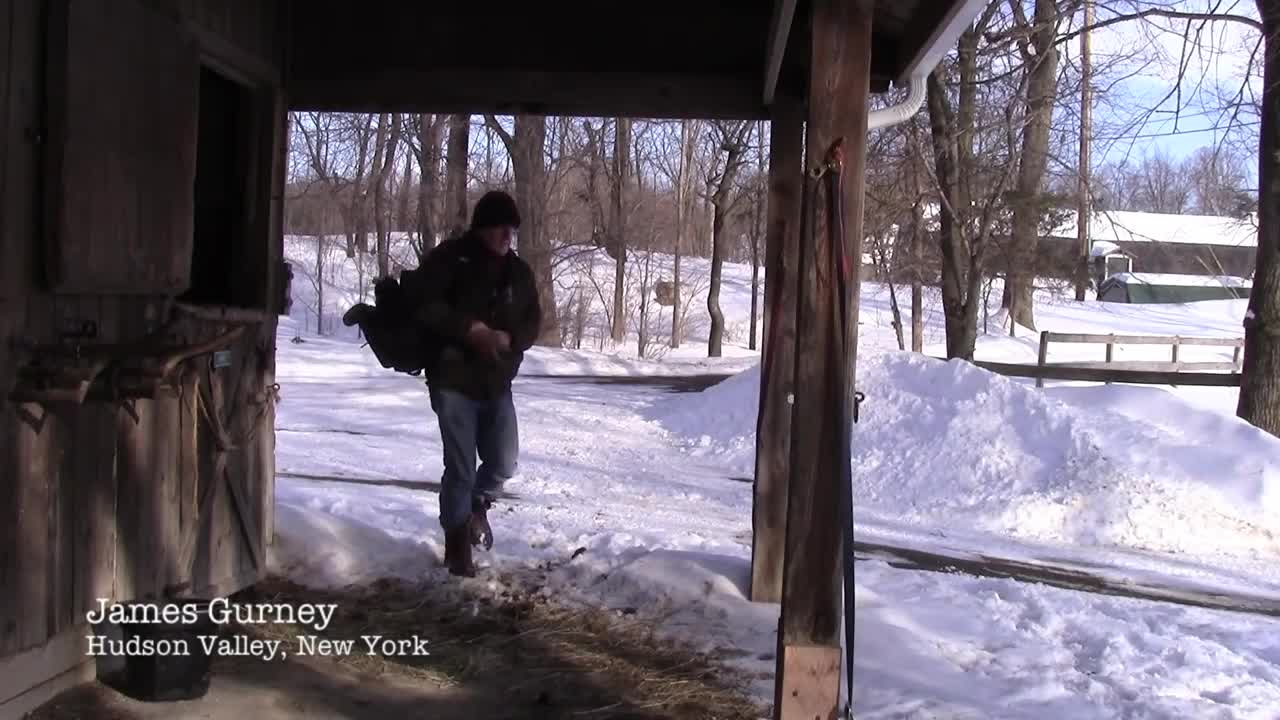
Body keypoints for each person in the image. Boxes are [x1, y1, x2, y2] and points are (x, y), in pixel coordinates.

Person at [412, 190, 542, 577]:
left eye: (512, 229)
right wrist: (470, 329)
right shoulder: (450, 260)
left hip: (497, 380)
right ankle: (456, 546)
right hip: (452, 378)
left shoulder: (519, 273)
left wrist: (510, 339)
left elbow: (533, 320)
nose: (508, 236)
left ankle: (476, 507)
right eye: (501, 227)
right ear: (483, 227)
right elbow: (425, 305)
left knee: (504, 461)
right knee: (461, 466)